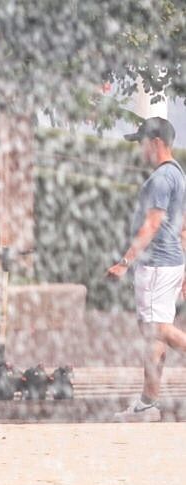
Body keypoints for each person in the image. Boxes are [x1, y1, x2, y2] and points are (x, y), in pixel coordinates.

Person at [108, 116, 186, 421]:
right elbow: (182, 227)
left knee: (154, 328)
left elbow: (152, 224)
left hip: (155, 265)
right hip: (171, 263)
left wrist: (125, 262)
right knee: (155, 334)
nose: (140, 149)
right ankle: (148, 403)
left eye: (142, 142)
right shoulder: (178, 175)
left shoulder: (160, 179)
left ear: (156, 143)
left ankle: (148, 402)